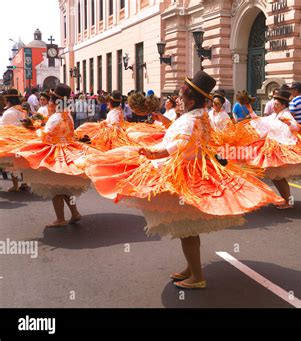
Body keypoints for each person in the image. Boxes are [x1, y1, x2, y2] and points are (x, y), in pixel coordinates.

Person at [85, 71, 284, 289]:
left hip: (185, 176)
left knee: (186, 229)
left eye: (181, 95)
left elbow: (180, 145)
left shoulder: (193, 119)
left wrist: (155, 154)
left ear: (190, 99)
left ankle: (197, 277)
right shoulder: (199, 116)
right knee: (187, 228)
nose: (178, 99)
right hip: (192, 171)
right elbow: (183, 137)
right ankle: (191, 268)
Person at [13, 84, 98, 228]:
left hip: (56, 156)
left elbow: (46, 137)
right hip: (69, 153)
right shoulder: (67, 115)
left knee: (55, 189)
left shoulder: (56, 117)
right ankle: (75, 213)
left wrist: (36, 130)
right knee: (65, 187)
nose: (49, 103)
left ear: (54, 101)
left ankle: (60, 219)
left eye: (51, 100)